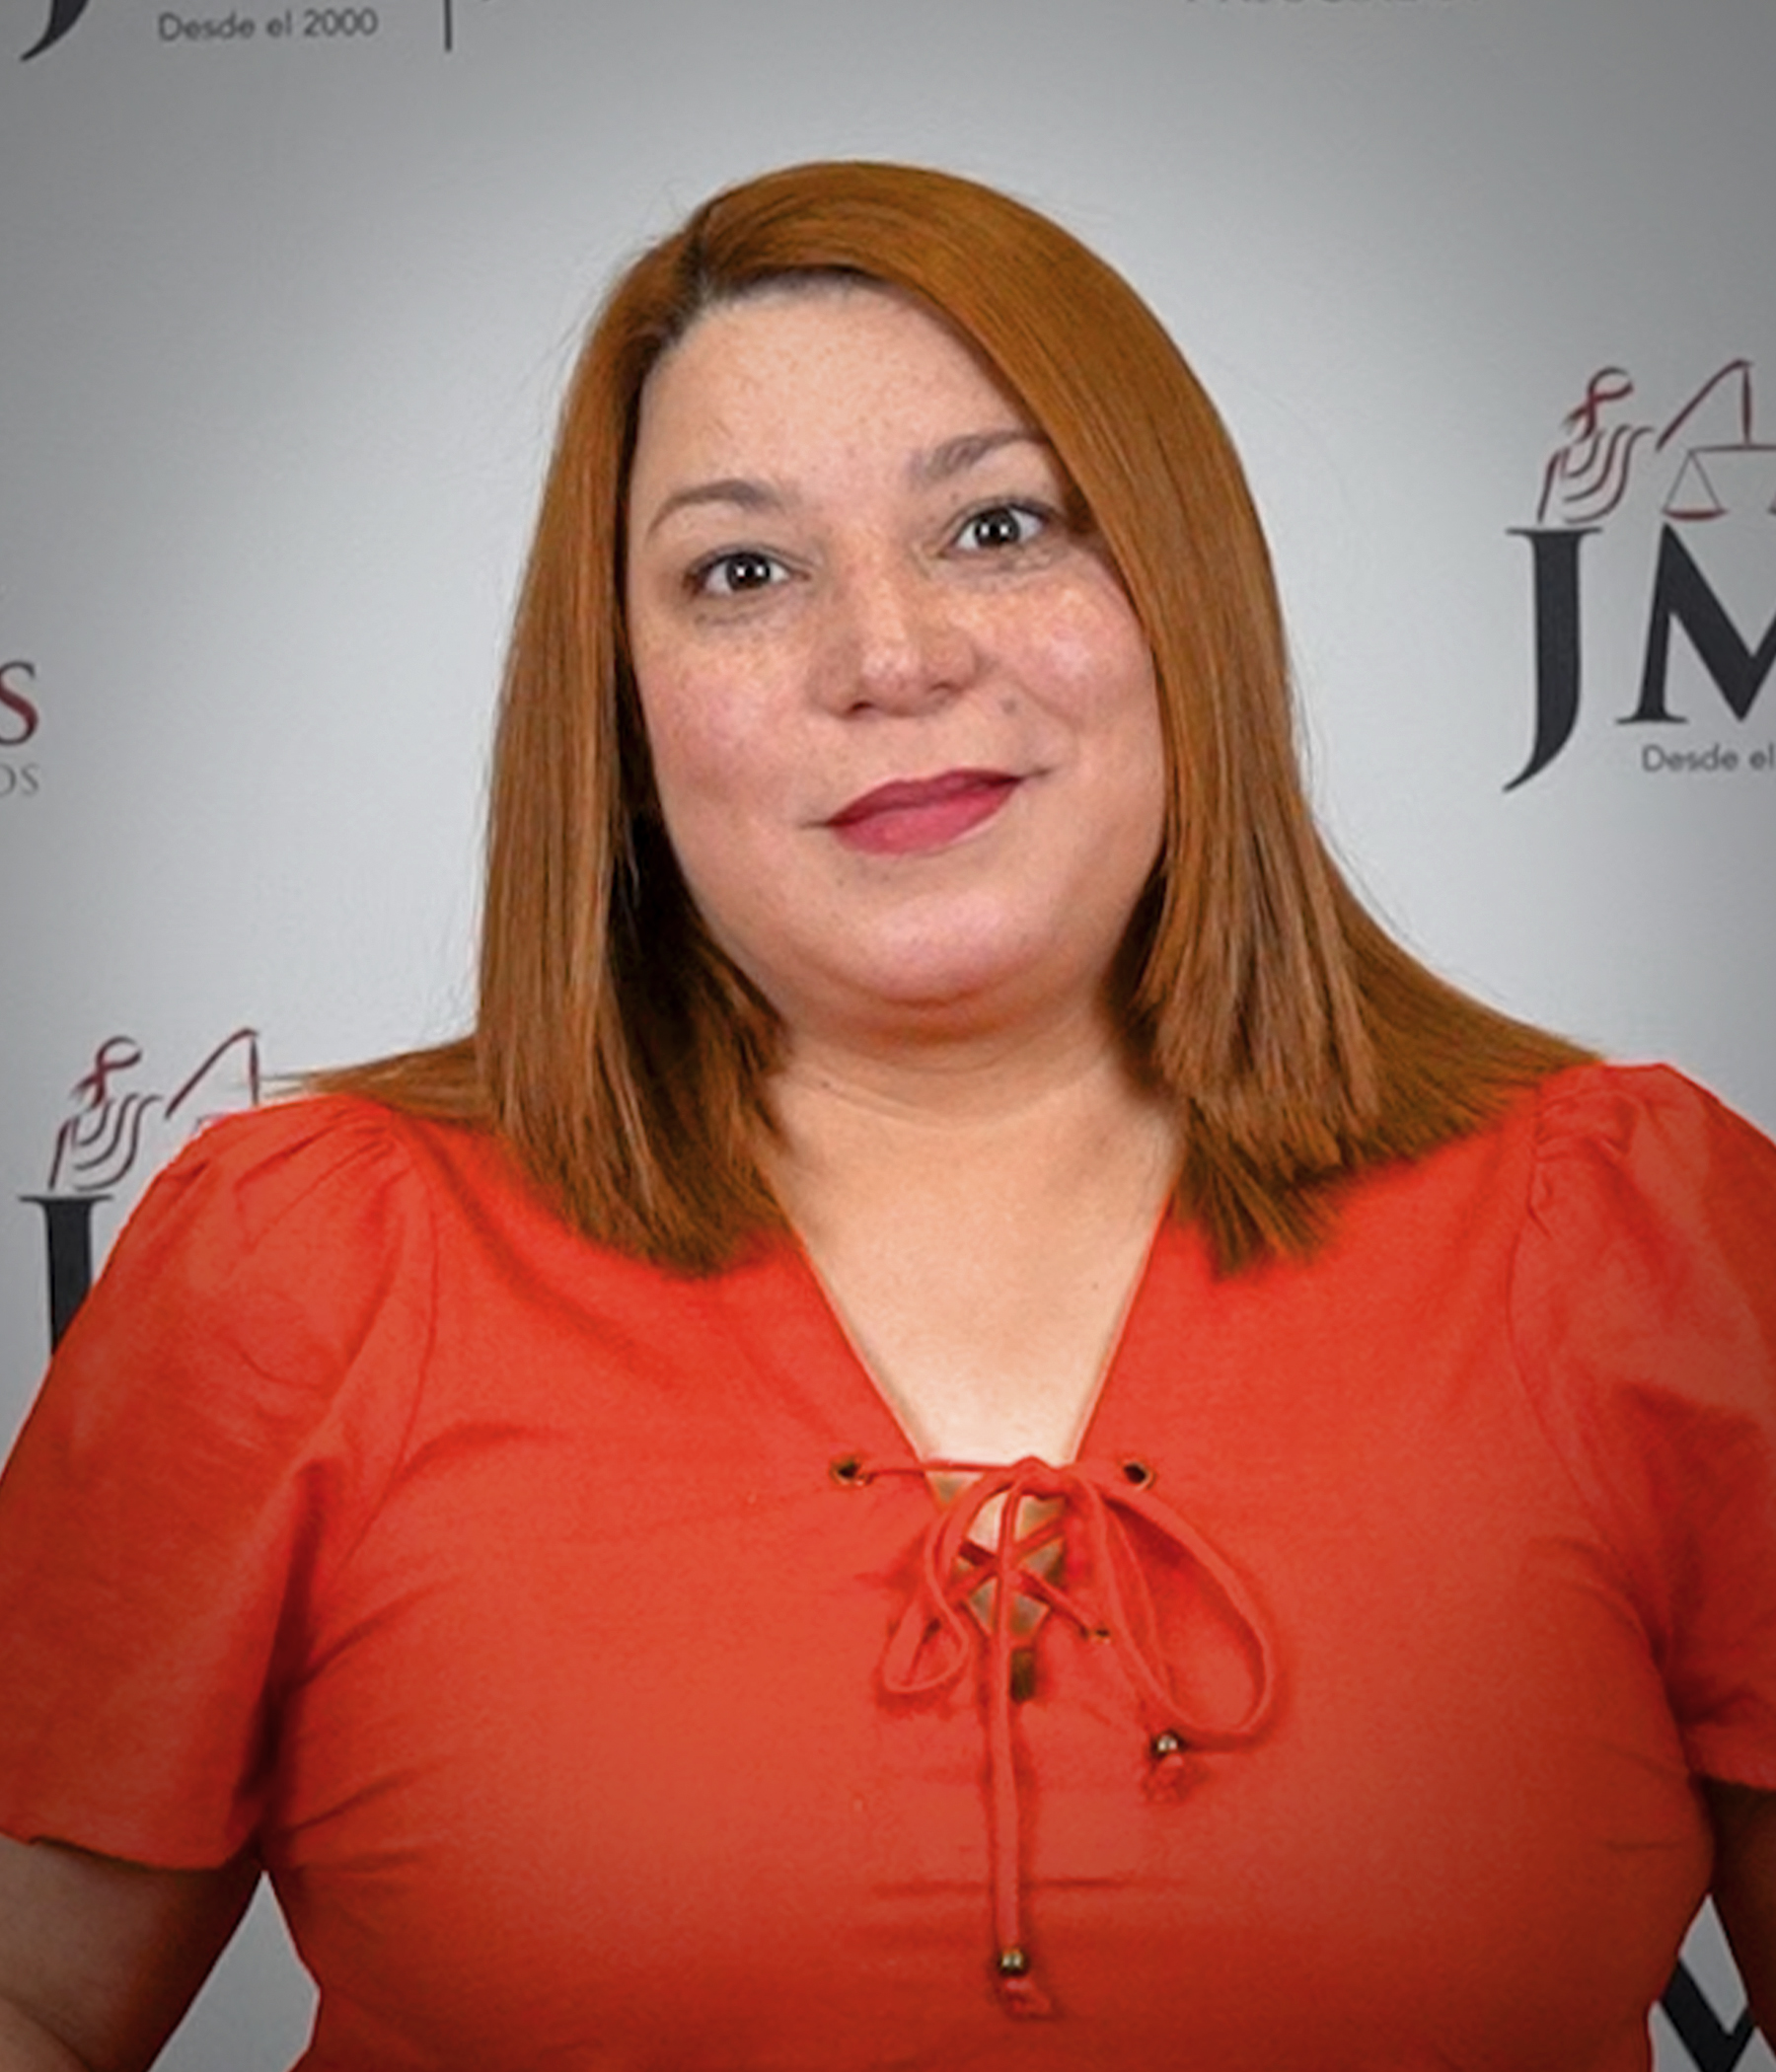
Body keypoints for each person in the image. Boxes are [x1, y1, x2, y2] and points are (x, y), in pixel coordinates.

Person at [1, 159, 1773, 2071]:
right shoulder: (300, 1260)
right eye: (742, 574)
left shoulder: (1640, 1231)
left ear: (1185, 598)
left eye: (1000, 526)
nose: (892, 658)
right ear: (624, 713)